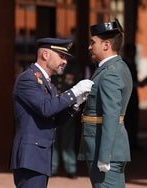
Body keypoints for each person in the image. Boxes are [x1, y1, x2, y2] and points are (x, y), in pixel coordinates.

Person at [10, 37, 94, 188]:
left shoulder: (48, 83)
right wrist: (73, 92)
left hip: (39, 156)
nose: (65, 61)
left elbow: (55, 119)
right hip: (30, 157)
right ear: (45, 55)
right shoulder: (28, 79)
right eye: (61, 56)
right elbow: (46, 108)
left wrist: (75, 103)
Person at [77, 19, 133, 188]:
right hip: (104, 146)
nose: (89, 47)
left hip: (103, 148)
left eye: (93, 42)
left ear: (106, 45)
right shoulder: (115, 67)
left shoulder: (110, 73)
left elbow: (111, 115)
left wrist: (105, 155)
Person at [51, 59, 81, 179]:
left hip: (68, 110)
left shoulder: (73, 69)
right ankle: (52, 167)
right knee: (53, 140)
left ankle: (71, 168)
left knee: (68, 141)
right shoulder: (52, 68)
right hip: (53, 110)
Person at [122, 43, 141, 150]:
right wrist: (136, 84)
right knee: (127, 121)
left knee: (134, 121)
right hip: (127, 98)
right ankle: (127, 144)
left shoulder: (132, 64)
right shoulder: (124, 64)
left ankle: (133, 142)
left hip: (133, 97)